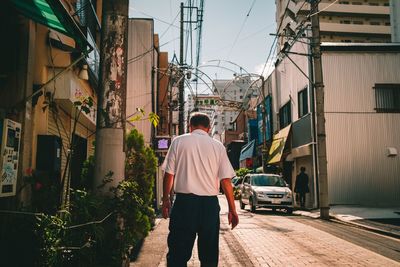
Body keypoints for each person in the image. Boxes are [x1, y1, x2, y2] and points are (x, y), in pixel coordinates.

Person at [162, 112, 239, 267]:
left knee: (177, 254)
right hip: (209, 206)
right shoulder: (218, 146)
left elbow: (169, 174)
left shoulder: (178, 142)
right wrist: (233, 209)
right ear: (209, 128)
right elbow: (226, 181)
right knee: (209, 256)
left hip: (184, 203)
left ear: (190, 126)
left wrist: (166, 200)